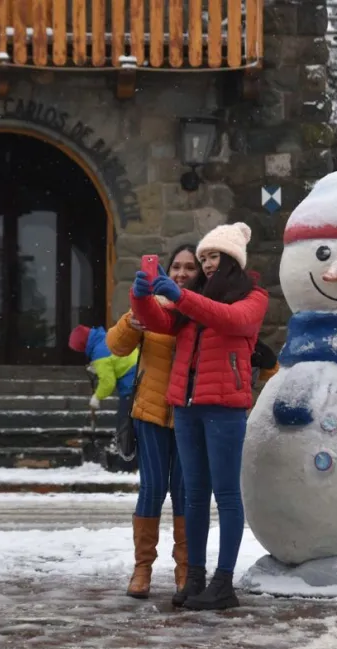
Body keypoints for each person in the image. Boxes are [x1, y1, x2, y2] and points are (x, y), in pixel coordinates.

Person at [130, 222, 269, 611]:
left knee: (225, 494)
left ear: (232, 260)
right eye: (203, 257)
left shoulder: (253, 297)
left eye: (213, 257)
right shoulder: (195, 298)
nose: (207, 264)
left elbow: (230, 320)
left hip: (224, 407)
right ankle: (195, 577)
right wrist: (141, 297)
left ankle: (223, 582)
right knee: (192, 496)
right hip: (186, 406)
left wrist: (182, 297)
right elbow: (160, 322)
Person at [105, 244, 206, 600]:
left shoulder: (203, 309)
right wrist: (130, 321)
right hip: (149, 412)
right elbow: (115, 346)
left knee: (184, 493)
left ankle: (184, 571)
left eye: (189, 267)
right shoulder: (153, 305)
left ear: (200, 273)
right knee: (151, 489)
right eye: (175, 266)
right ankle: (142, 569)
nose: (181, 273)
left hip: (190, 415)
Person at [68, 323, 139, 437]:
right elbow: (114, 360)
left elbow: (108, 383)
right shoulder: (105, 337)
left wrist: (97, 397)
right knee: (132, 425)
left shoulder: (99, 354)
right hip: (139, 376)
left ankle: (125, 452)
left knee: (125, 425)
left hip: (131, 386)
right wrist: (99, 368)